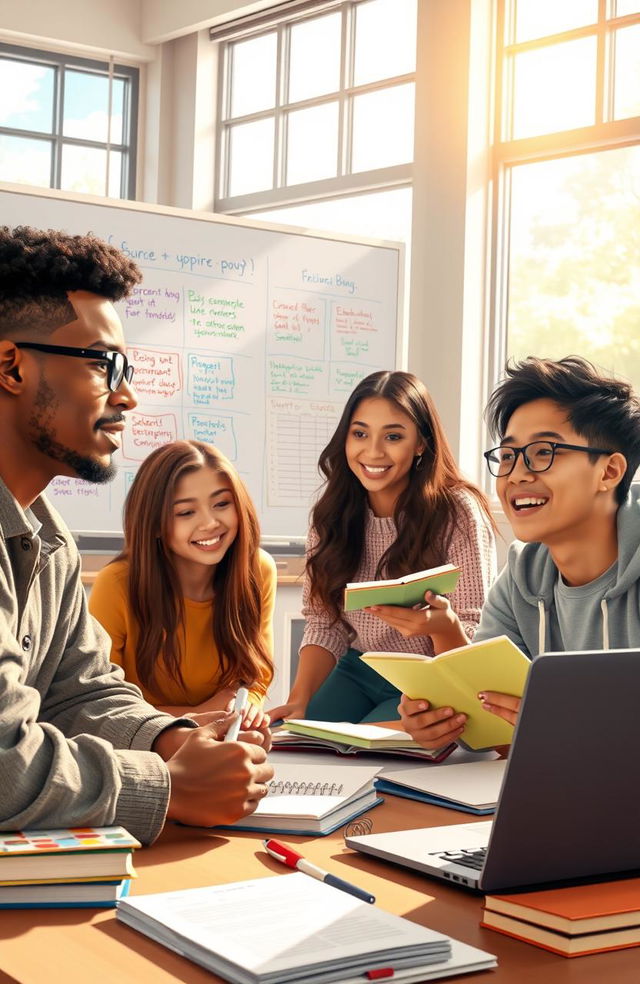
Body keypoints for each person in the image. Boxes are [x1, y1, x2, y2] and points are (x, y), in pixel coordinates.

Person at [0, 225, 273, 844]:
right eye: (103, 364)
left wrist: (177, 741)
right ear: (12, 367)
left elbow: (80, 692)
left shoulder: (50, 539)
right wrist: (168, 783)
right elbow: (4, 766)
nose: (126, 396)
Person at [399, 355, 640, 750]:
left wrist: (566, 725)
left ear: (609, 472)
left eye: (543, 452)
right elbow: (502, 732)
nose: (517, 474)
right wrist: (451, 720)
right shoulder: (520, 578)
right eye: (508, 456)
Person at [269, 370, 497, 726]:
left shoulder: (458, 511)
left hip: (426, 674)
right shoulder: (331, 515)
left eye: (393, 436)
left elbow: (472, 627)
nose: (373, 451)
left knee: (367, 745)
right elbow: (323, 621)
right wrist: (298, 700)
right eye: (360, 433)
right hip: (359, 668)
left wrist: (436, 626)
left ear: (420, 443)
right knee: (299, 735)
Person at [89, 440, 275, 728]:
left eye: (222, 503)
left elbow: (255, 677)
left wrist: (245, 707)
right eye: (186, 512)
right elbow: (99, 702)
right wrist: (197, 720)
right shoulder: (116, 584)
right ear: (154, 524)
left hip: (222, 738)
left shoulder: (257, 570)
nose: (210, 523)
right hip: (143, 746)